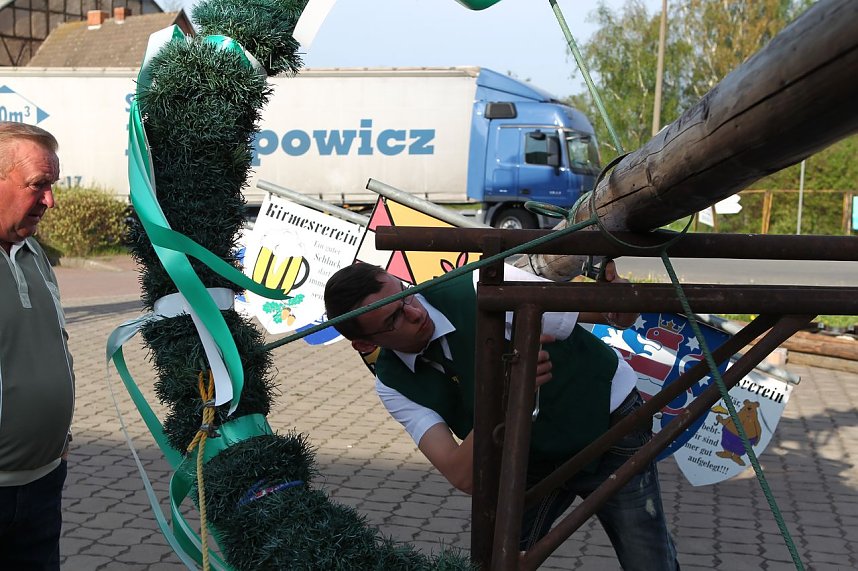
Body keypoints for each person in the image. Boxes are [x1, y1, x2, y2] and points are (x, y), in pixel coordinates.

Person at [324, 262, 679, 570]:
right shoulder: (392, 384)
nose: (416, 313)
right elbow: (463, 476)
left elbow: (612, 314)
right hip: (531, 458)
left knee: (646, 559)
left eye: (406, 295)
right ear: (365, 345)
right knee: (495, 558)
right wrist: (507, 396)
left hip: (609, 425)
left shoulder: (481, 285)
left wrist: (619, 299)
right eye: (393, 319)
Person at [0, 122, 74, 570]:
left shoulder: (33, 253)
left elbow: (55, 343)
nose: (50, 200)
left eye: (52, 185)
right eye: (38, 185)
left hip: (43, 483)